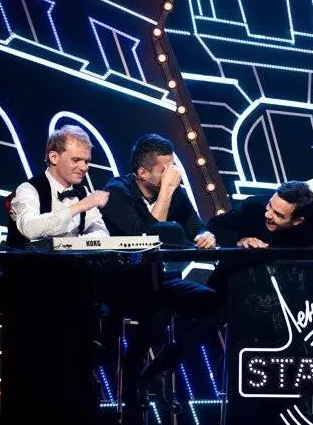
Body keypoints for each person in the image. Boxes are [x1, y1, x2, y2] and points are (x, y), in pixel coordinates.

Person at [101, 133, 222, 416]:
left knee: (217, 305)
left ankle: (161, 367)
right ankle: (133, 387)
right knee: (158, 309)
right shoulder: (117, 192)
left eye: (172, 166)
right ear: (143, 173)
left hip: (157, 280)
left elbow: (194, 225)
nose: (172, 174)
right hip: (121, 283)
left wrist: (205, 235)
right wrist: (167, 190)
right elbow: (146, 237)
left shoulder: (172, 191)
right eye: (165, 169)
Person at [6, 124, 109, 248]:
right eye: (76, 160)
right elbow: (30, 229)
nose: (84, 167)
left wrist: (72, 245)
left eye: (87, 161)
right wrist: (80, 206)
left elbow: (102, 233)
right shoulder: (28, 189)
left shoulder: (83, 192)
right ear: (54, 157)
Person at [208, 180, 313, 248]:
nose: (268, 215)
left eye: (278, 214)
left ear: (297, 220)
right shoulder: (252, 206)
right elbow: (215, 225)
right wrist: (240, 241)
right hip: (242, 271)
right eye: (270, 205)